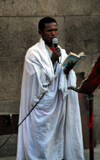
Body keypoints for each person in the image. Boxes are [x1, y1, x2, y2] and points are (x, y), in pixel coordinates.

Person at [16, 17, 84, 160]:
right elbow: (35, 81)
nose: (53, 34)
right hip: (41, 106)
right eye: (49, 31)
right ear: (41, 32)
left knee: (57, 141)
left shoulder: (62, 51)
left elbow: (63, 79)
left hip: (58, 104)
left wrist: (67, 70)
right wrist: (52, 60)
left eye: (55, 30)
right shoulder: (33, 53)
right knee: (41, 142)